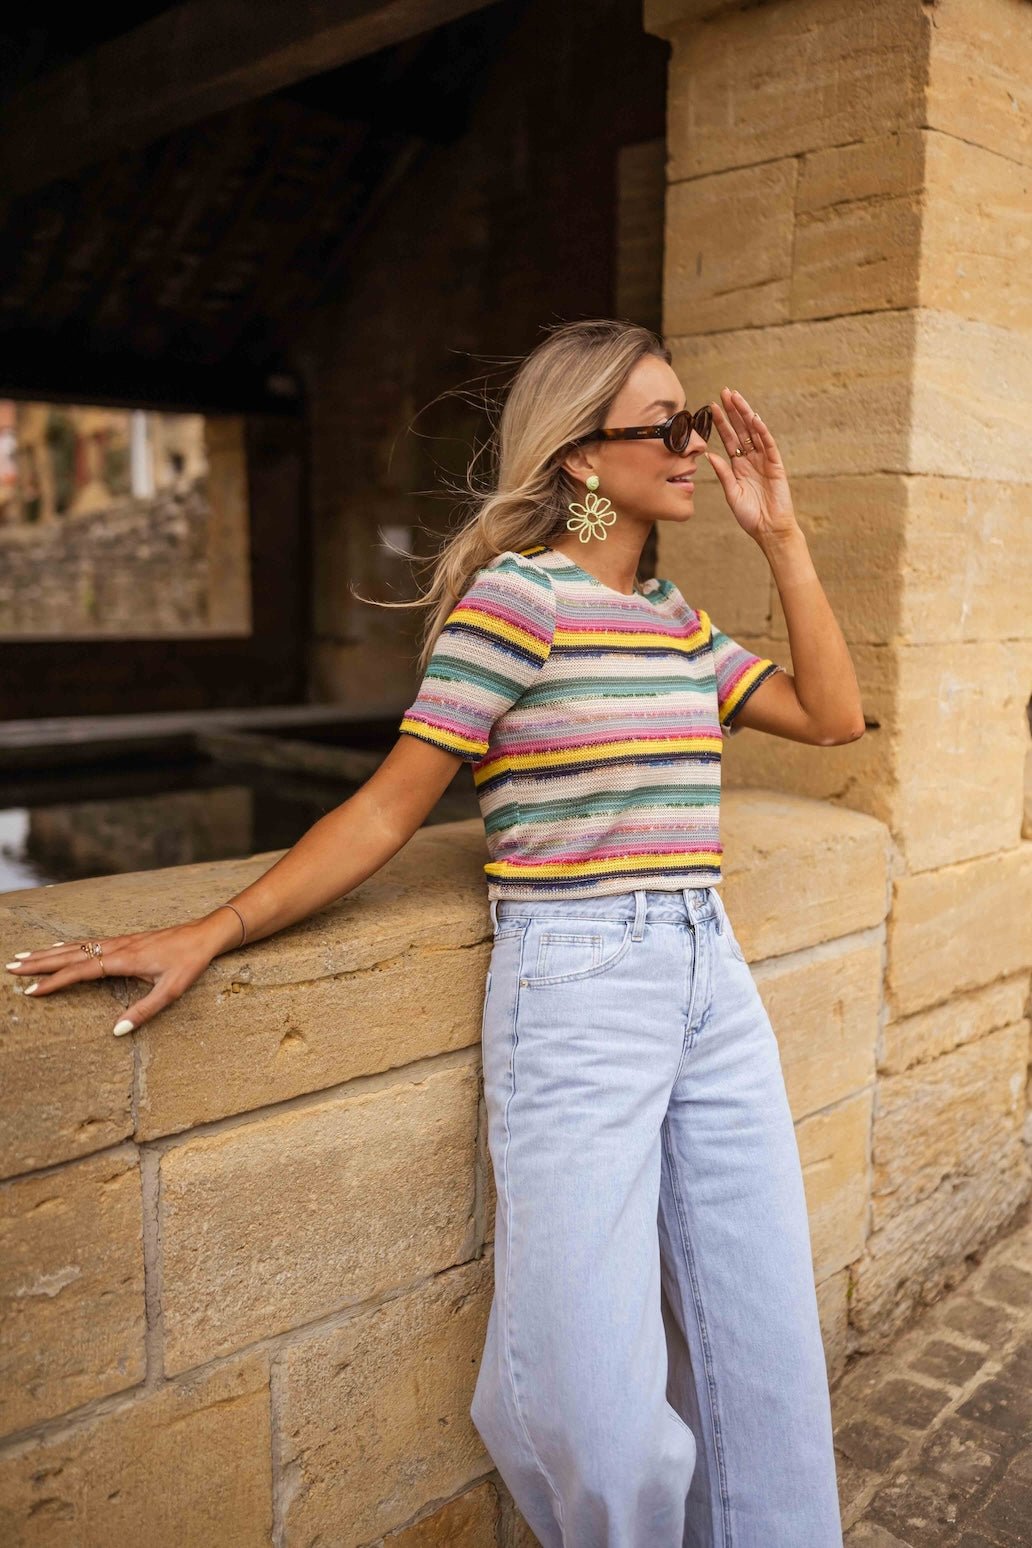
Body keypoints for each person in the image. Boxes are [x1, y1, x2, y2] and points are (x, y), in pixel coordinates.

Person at [7, 319, 862, 1547]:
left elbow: (833, 716)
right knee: (595, 1402)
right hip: (576, 979)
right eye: (669, 427)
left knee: (765, 1342)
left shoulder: (674, 618)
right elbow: (387, 809)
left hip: (709, 978)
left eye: (697, 425)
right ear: (579, 459)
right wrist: (213, 926)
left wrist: (779, 532)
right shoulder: (520, 602)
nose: (695, 448)